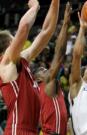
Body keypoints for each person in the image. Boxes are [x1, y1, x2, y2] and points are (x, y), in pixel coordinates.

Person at [0, 0, 59, 134]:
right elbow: (25, 26)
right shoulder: (6, 63)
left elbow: (46, 31)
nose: (17, 40)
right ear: (10, 43)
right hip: (17, 130)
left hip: (31, 130)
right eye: (14, 38)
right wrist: (35, 6)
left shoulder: (20, 61)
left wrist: (55, 3)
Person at [35, 3, 71, 135]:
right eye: (43, 70)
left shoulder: (37, 92)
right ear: (38, 78)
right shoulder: (47, 84)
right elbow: (59, 54)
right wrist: (66, 24)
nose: (47, 70)